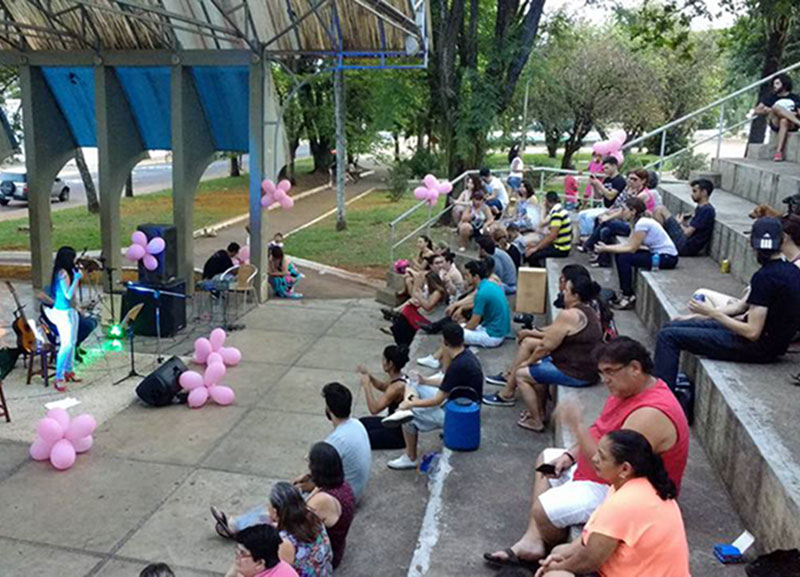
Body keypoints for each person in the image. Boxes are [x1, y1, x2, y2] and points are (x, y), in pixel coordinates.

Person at [483, 337, 689, 567]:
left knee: (542, 511)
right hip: (609, 472)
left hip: (627, 489)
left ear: (635, 368)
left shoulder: (650, 413)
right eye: (602, 372)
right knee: (548, 459)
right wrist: (570, 455)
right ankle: (532, 540)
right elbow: (601, 431)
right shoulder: (627, 390)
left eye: (610, 371)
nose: (605, 380)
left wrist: (575, 426)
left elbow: (608, 469)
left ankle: (547, 544)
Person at [653, 217, 800, 389]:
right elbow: (741, 307)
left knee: (668, 336)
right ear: (781, 241)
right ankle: (665, 381)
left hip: (758, 349)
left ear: (752, 245)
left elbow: (752, 332)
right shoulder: (790, 271)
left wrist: (712, 313)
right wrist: (696, 317)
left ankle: (661, 398)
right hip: (769, 343)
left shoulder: (765, 277)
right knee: (672, 327)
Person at [534, 430, 690, 577]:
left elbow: (590, 559)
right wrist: (560, 556)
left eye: (602, 457)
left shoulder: (624, 503)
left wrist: (556, 567)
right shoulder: (635, 486)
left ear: (625, 469)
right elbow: (590, 539)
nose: (594, 459)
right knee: (558, 552)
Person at [494, 277, 603, 433]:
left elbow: (545, 347)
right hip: (583, 367)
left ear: (575, 295)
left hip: (577, 372)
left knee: (521, 374)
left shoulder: (570, 315)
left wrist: (528, 362)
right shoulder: (588, 311)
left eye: (566, 290)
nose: (562, 292)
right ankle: (541, 412)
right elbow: (553, 334)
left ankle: (535, 420)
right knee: (537, 364)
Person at [384, 323, 483, 469]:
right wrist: (424, 380)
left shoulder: (457, 366)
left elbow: (437, 400)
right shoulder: (465, 356)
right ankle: (406, 402)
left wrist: (413, 404)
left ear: (445, 342)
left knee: (408, 416)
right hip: (460, 405)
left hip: (457, 416)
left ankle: (410, 457)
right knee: (413, 382)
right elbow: (447, 382)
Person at [595, 197, 678, 310]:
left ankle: (628, 296)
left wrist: (606, 249)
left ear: (633, 211)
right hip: (659, 255)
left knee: (625, 258)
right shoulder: (637, 223)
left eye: (624, 209)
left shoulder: (642, 223)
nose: (622, 212)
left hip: (667, 258)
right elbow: (627, 245)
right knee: (621, 255)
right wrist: (607, 247)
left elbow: (631, 249)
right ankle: (625, 293)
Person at [304, 442, 355, 568]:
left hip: (327, 557)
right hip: (338, 546)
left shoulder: (322, 500)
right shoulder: (343, 485)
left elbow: (297, 524)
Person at [318, 383, 371, 502]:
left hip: (345, 499)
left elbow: (320, 480)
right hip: (357, 489)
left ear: (328, 409)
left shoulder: (335, 442)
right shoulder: (357, 424)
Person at [358, 345, 410, 450]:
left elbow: (374, 409)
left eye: (384, 359)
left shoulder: (397, 387)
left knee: (360, 438)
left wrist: (367, 385)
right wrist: (370, 377)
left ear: (390, 364)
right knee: (359, 424)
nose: (382, 362)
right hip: (390, 422)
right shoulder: (399, 377)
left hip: (396, 434)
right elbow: (383, 386)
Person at [48, 246, 83, 392]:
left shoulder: (67, 272)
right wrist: (76, 279)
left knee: (73, 342)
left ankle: (69, 370)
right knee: (66, 344)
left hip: (70, 310)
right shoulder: (62, 274)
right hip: (62, 313)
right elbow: (68, 294)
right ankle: (59, 376)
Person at [653, 178, 716, 257]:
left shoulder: (706, 210)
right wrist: (683, 223)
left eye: (695, 191)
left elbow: (687, 233)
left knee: (660, 209)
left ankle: (658, 242)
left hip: (686, 246)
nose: (692, 194)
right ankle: (659, 242)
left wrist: (678, 223)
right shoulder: (701, 208)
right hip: (685, 243)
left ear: (704, 192)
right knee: (658, 211)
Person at [462, 259, 511, 347]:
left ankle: (436, 359)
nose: (465, 278)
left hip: (493, 335)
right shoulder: (490, 285)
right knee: (458, 328)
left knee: (451, 334)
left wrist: (462, 330)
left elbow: (473, 323)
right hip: (498, 331)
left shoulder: (482, 293)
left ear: (475, 277)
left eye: (467, 275)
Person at [753, 73, 800, 161]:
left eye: (777, 83)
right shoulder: (771, 97)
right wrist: (769, 110)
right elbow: (756, 110)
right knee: (776, 107)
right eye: (774, 84)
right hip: (775, 122)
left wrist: (794, 114)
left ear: (784, 84)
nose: (774, 86)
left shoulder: (795, 97)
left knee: (784, 121)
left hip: (791, 124)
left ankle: (778, 152)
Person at [577, 157, 627, 238]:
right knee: (581, 214)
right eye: (603, 168)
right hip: (605, 207)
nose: (605, 170)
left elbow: (610, 196)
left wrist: (599, 184)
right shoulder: (607, 179)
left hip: (614, 209)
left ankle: (589, 237)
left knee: (589, 217)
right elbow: (599, 196)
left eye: (607, 168)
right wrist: (594, 186)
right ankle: (584, 235)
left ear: (614, 166)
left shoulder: (620, 180)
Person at [230, 524, 299, 577]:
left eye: (242, 553)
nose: (237, 556)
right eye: (237, 550)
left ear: (260, 563)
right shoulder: (282, 566)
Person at [525, 192, 572, 267]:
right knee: (532, 248)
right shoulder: (560, 210)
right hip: (559, 245)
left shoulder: (557, 214)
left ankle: (537, 276)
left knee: (532, 256)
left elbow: (552, 236)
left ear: (547, 201)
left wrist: (536, 248)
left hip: (561, 249)